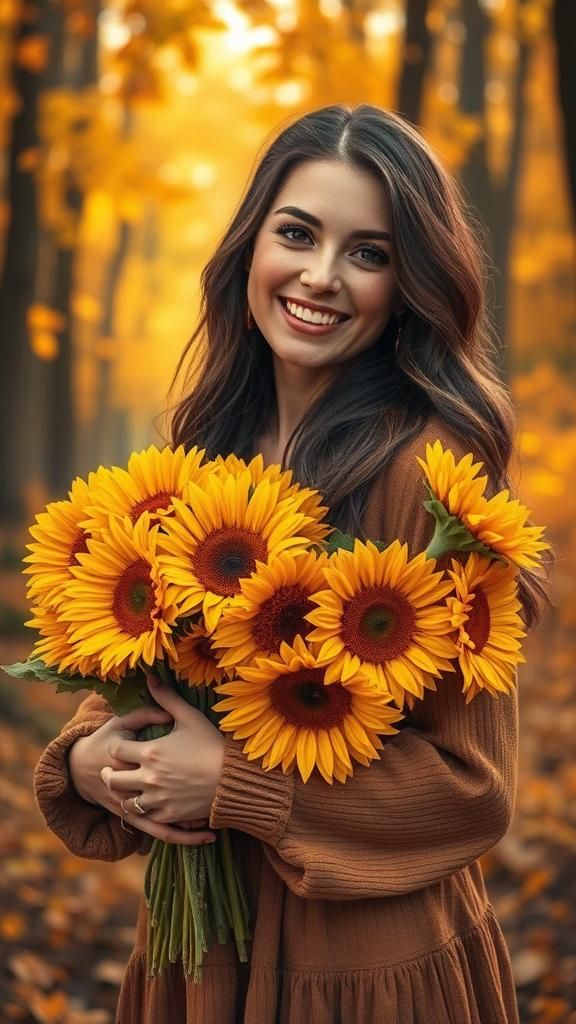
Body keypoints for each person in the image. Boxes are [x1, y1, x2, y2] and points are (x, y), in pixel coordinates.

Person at [34, 104, 548, 1024]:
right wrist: (88, 761)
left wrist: (236, 783)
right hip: (198, 965)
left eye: (369, 252)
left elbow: (475, 790)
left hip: (363, 975)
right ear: (250, 248)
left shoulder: (425, 474)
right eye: (298, 234)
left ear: (409, 282)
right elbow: (151, 676)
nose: (320, 276)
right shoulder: (205, 456)